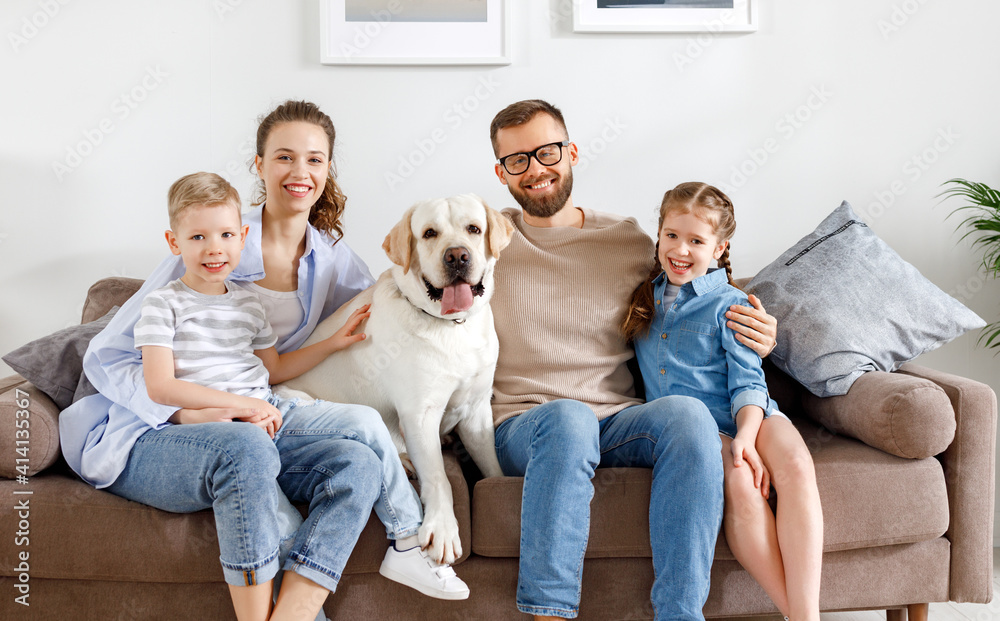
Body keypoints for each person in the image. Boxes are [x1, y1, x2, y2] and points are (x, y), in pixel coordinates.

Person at [59, 102, 467, 621]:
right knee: (249, 452)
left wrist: (445, 352)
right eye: (284, 157)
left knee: (359, 459)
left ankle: (374, 565)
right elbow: (109, 357)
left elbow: (388, 310)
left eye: (315, 160)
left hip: (265, 406)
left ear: (327, 170)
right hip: (174, 422)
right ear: (259, 165)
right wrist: (186, 412)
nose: (301, 173)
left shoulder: (333, 261)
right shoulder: (213, 238)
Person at [487, 98, 778, 621]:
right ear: (501, 172)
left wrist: (759, 329)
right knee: (569, 417)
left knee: (688, 416)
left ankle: (680, 614)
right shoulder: (487, 237)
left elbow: (693, 289)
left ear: (571, 152)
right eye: (517, 160)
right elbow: (412, 287)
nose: (535, 169)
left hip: (617, 421)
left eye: (547, 151)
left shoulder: (626, 240)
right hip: (525, 426)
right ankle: (548, 614)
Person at [624, 182, 822, 621]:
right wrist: (737, 453)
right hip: (697, 428)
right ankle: (795, 613)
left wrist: (747, 439)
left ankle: (808, 613)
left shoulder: (732, 304)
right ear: (658, 235)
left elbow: (748, 384)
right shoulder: (643, 300)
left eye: (696, 240)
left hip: (751, 414)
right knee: (740, 482)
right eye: (672, 235)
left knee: (795, 465)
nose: (681, 249)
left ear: (719, 248)